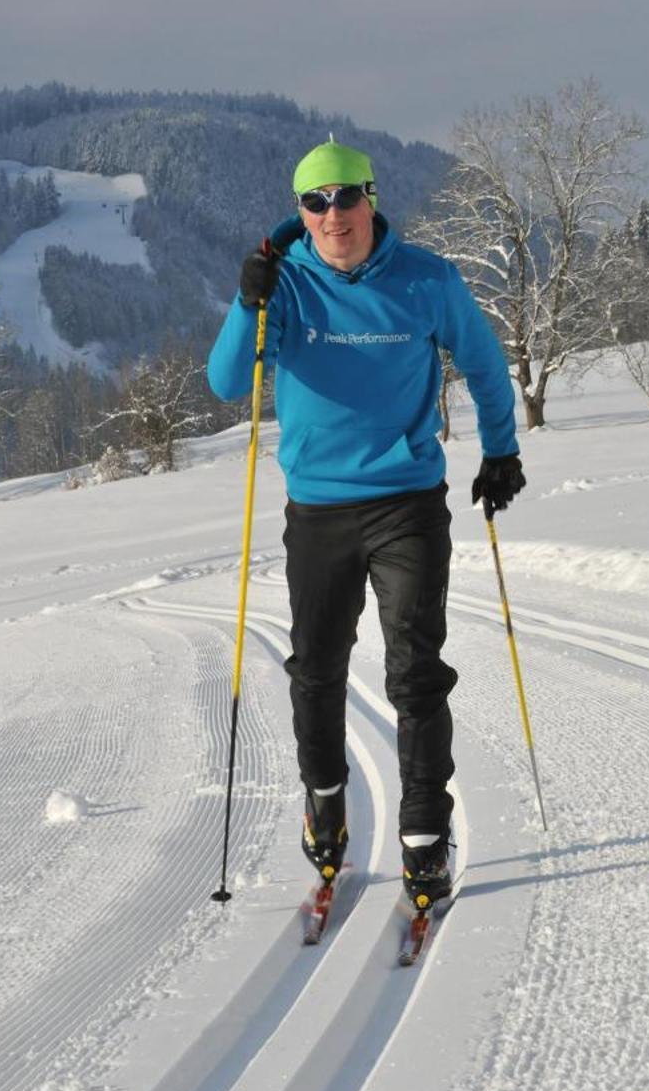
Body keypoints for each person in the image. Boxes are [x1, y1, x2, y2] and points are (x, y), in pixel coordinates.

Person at [206, 139, 523, 910]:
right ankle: (324, 794)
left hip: (406, 499)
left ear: (371, 199)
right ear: (301, 213)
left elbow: (482, 363)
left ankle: (422, 834)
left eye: (346, 197)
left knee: (415, 668)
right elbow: (225, 382)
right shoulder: (285, 285)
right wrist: (248, 300)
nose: (333, 214)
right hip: (317, 509)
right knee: (315, 668)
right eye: (316, 202)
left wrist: (501, 449)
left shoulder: (426, 280)